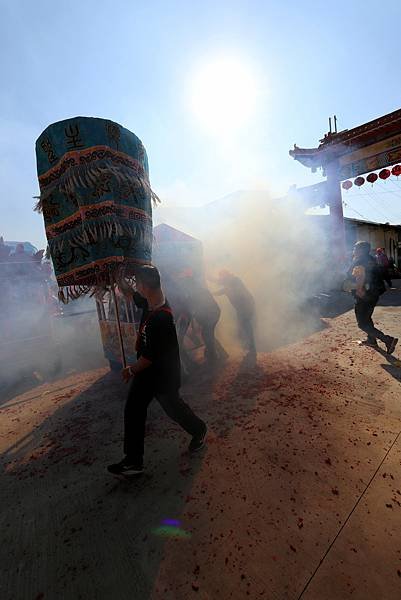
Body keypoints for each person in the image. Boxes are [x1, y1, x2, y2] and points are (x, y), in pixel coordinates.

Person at [107, 265, 207, 478]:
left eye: (138, 285)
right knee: (133, 409)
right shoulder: (151, 302)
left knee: (174, 409)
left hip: (163, 374)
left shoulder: (161, 318)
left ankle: (199, 430)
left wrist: (129, 370)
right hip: (148, 373)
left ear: (145, 286)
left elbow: (147, 359)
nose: (138, 289)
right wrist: (118, 279)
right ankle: (133, 461)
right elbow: (131, 295)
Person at [349, 241, 398, 352]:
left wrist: (359, 290)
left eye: (355, 248)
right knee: (367, 318)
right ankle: (371, 340)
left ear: (361, 250)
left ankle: (388, 340)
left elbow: (360, 276)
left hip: (364, 295)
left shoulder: (359, 261)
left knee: (362, 323)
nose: (353, 250)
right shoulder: (371, 259)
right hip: (374, 294)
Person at [213, 270, 256, 362]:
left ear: (227, 276)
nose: (221, 280)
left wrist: (212, 292)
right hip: (242, 309)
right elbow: (219, 285)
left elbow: (227, 289)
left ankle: (251, 350)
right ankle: (250, 350)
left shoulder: (235, 280)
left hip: (246, 307)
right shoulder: (229, 283)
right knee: (244, 328)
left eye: (222, 277)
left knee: (246, 328)